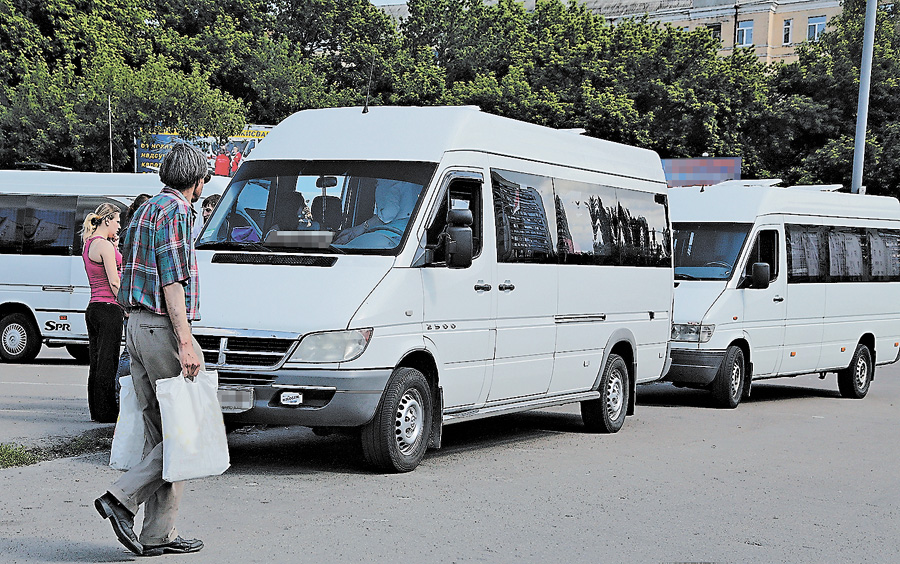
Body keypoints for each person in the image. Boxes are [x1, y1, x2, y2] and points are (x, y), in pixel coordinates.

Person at [94, 142, 207, 557]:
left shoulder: (143, 209)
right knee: (183, 431)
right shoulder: (177, 212)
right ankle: (120, 498)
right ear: (198, 179)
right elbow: (173, 283)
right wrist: (186, 341)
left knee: (159, 432)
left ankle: (158, 534)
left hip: (136, 325)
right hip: (162, 326)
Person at [81, 203, 125, 423]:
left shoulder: (90, 244)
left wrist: (114, 246)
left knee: (97, 361)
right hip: (109, 308)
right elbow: (114, 281)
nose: (118, 226)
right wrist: (126, 306)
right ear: (107, 220)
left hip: (93, 307)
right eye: (117, 221)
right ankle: (107, 412)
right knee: (109, 361)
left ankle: (96, 410)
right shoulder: (105, 248)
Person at [114, 194, 152, 392]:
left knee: (131, 351)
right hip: (134, 300)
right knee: (130, 352)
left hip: (132, 299)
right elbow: (128, 270)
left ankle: (123, 393)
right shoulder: (133, 232)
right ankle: (122, 393)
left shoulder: (131, 230)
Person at [332, 179, 419, 247]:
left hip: (392, 235)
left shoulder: (388, 179)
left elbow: (388, 213)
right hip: (413, 233)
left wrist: (360, 228)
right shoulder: (410, 181)